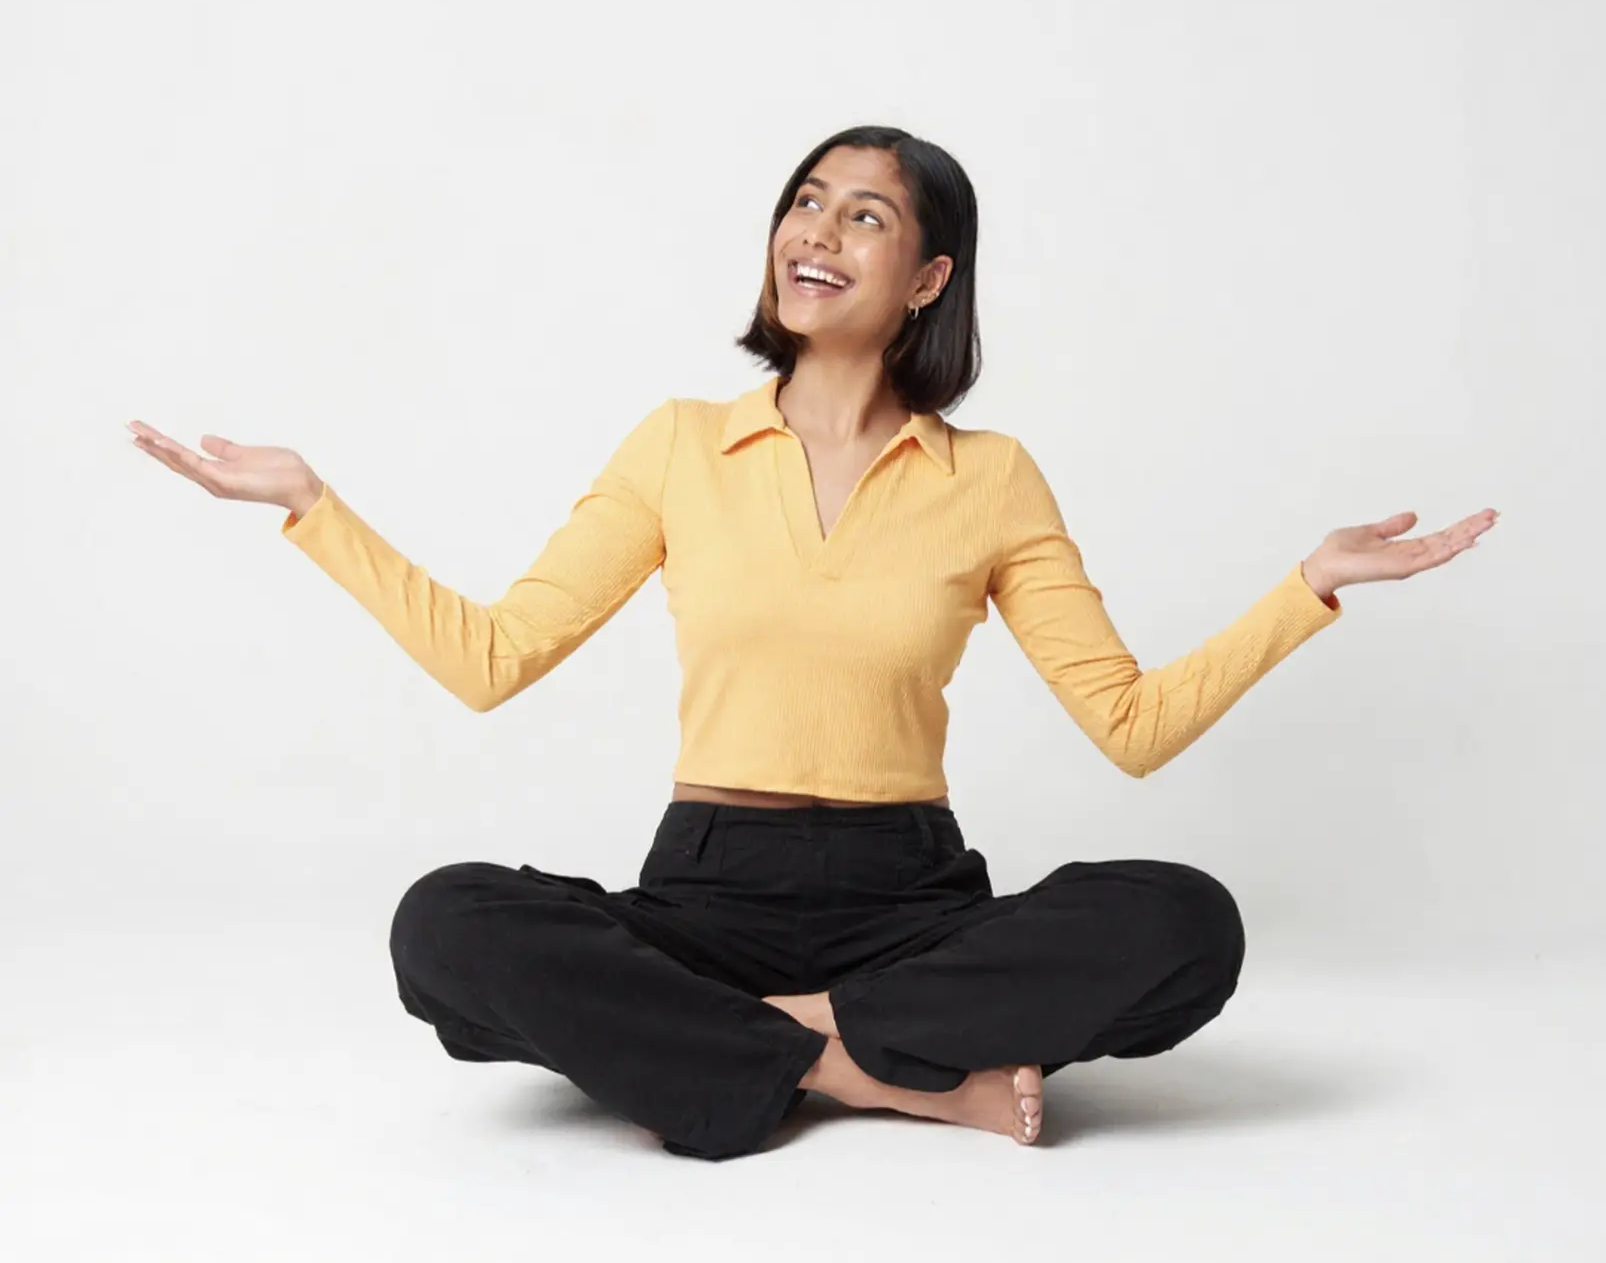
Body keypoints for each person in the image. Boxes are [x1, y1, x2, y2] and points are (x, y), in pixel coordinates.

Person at [128, 124, 1496, 1160]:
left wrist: (1304, 588)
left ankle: (743, 1058)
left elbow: (1127, 728)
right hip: (705, 889)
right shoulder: (679, 447)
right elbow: (495, 658)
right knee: (446, 929)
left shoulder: (991, 478)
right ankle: (880, 1075)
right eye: (802, 202)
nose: (815, 231)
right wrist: (314, 508)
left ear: (927, 276)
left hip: (911, 900)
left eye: (864, 215)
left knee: (1185, 922)